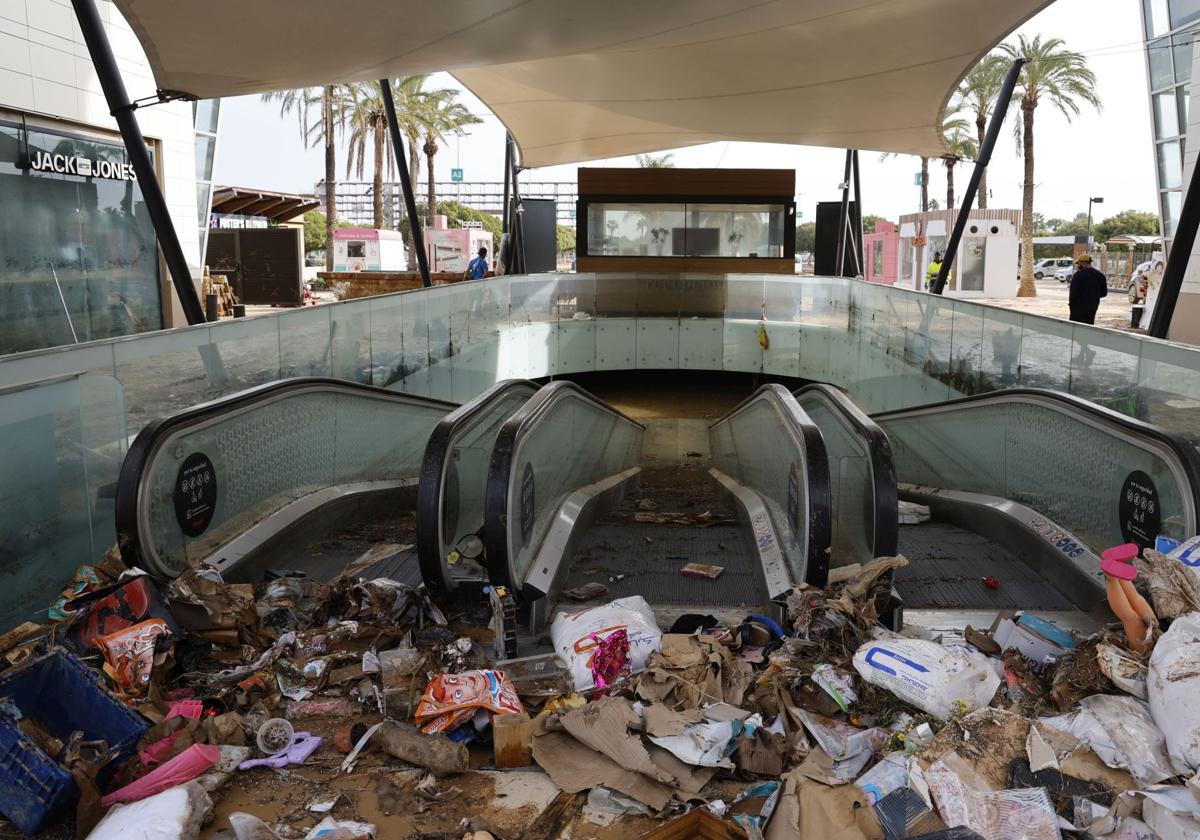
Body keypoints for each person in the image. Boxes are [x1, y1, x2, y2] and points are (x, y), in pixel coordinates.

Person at [1068, 253, 1107, 325]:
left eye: (1078, 264)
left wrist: (1071, 304)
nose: (1078, 266)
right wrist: (1094, 296)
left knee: (1076, 328)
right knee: (1089, 327)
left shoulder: (1078, 275)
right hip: (1093, 306)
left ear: (1082, 263)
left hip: (1077, 308)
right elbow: (1104, 293)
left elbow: (1073, 293)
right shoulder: (1100, 275)